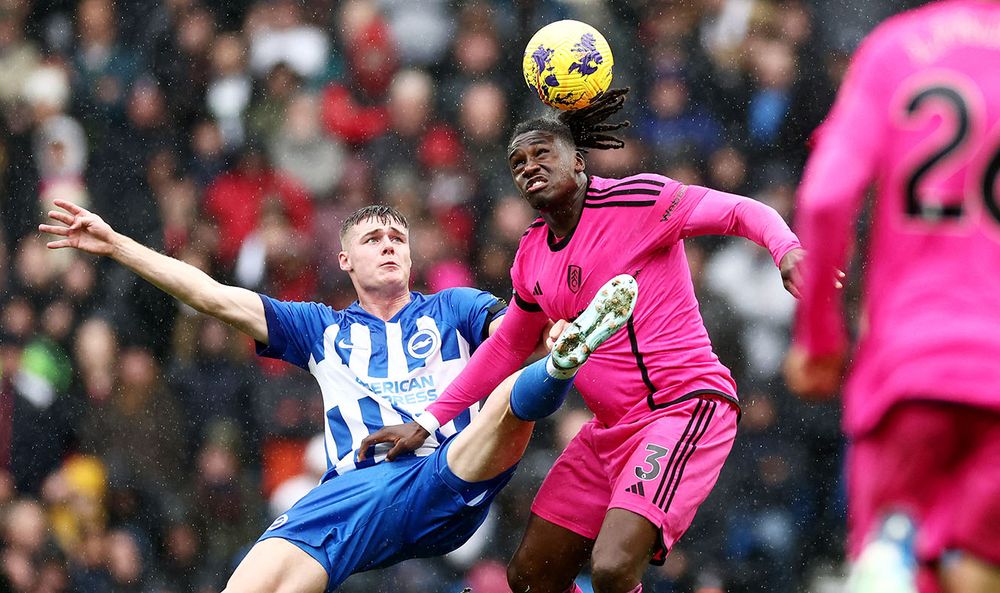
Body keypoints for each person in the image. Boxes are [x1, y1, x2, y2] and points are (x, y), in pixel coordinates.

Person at [38, 200, 638, 593]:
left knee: (509, 387)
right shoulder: (321, 329)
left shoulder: (454, 308)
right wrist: (119, 245)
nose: (390, 245)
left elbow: (511, 334)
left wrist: (548, 335)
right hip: (356, 494)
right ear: (345, 258)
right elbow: (213, 296)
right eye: (374, 237)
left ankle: (564, 360)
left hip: (448, 474)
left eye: (399, 238)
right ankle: (559, 364)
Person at [362, 88, 805, 593]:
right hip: (608, 431)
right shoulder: (531, 254)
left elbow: (737, 211)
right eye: (518, 161)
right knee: (530, 578)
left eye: (542, 153)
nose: (529, 166)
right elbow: (507, 347)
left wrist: (786, 250)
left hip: (682, 407)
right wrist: (426, 422)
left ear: (577, 161)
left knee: (614, 568)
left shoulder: (638, 201)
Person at [784, 2, 1000, 593]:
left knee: (895, 555)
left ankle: (893, 555)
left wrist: (821, 339)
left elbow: (827, 199)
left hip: (910, 366)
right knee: (980, 568)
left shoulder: (896, 50)